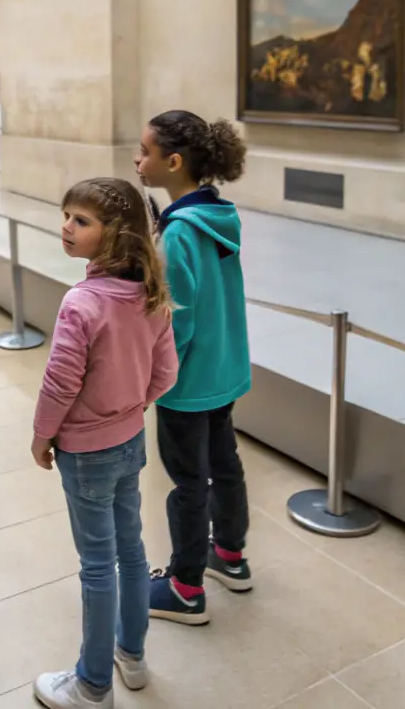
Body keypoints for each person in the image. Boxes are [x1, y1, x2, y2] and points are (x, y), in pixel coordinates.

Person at [31, 177, 179, 709]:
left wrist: (42, 435)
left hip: (85, 452)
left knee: (97, 564)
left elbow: (60, 383)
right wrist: (133, 406)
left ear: (115, 233)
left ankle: (92, 686)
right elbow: (166, 372)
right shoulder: (151, 294)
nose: (66, 227)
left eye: (81, 220)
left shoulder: (82, 302)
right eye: (66, 215)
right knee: (131, 549)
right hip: (129, 440)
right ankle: (131, 655)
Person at [133, 110, 252, 625]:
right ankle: (229, 555)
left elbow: (175, 321)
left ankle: (185, 587)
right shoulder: (218, 215)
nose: (138, 160)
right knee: (224, 464)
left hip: (187, 381)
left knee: (188, 482)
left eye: (145, 152)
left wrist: (152, 379)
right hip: (223, 370)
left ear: (174, 162)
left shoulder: (180, 232)